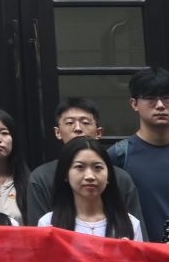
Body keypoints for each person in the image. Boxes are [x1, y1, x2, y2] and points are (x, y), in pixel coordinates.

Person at [108, 66, 169, 240]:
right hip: (137, 251)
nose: (160, 105)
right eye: (150, 98)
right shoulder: (118, 156)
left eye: (167, 98)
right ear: (134, 104)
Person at [22, 97, 144, 228]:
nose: (78, 128)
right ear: (57, 132)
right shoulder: (41, 177)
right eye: (69, 123)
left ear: (98, 132)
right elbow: (40, 233)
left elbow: (134, 231)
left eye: (85, 122)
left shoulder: (121, 178)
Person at [36, 137, 142, 240]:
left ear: (108, 174)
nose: (90, 176)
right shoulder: (48, 224)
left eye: (98, 167)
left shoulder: (130, 224)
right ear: (65, 174)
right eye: (79, 167)